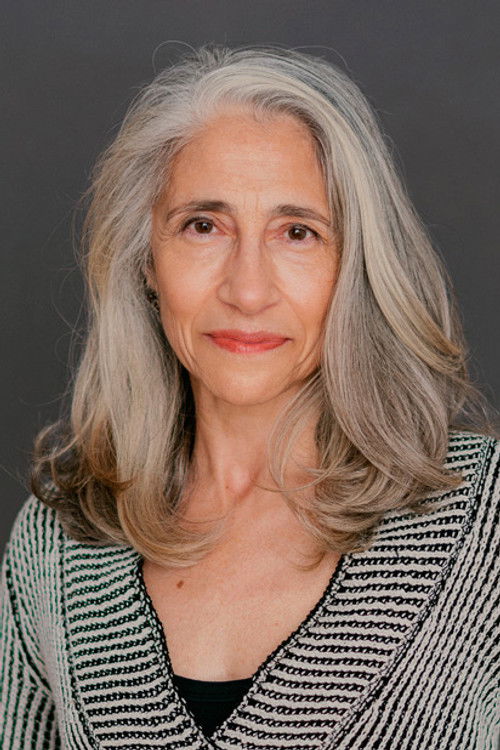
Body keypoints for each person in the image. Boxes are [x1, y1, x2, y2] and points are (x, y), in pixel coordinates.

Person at [1, 44, 499, 749]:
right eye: (203, 226)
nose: (248, 289)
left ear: (354, 265)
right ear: (146, 261)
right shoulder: (58, 543)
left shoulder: (485, 520)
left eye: (298, 233)